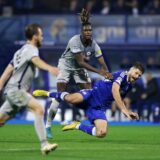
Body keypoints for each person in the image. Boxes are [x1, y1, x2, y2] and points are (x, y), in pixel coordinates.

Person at [45, 8, 112, 138]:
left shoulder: (94, 44)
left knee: (90, 94)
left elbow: (101, 59)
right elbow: (81, 62)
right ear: (81, 31)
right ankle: (48, 125)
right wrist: (100, 72)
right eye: (86, 30)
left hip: (79, 69)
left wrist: (106, 72)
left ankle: (89, 121)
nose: (88, 32)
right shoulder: (74, 40)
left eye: (90, 30)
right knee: (59, 96)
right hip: (66, 65)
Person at [33, 62, 144, 138]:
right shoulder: (122, 74)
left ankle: (77, 125)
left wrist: (127, 112)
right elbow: (115, 90)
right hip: (91, 95)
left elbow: (118, 98)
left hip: (99, 108)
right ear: (131, 69)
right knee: (71, 99)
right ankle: (47, 93)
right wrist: (124, 110)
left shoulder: (129, 86)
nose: (137, 76)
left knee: (102, 133)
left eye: (139, 75)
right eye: (136, 73)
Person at [0, 23, 59, 154]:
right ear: (35, 37)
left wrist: (0, 84)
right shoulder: (32, 49)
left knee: (1, 121)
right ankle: (44, 145)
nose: (43, 38)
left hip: (11, 91)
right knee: (39, 109)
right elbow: (36, 60)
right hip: (16, 91)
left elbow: (8, 71)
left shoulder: (19, 52)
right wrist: (50, 68)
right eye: (41, 35)